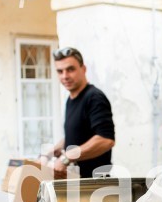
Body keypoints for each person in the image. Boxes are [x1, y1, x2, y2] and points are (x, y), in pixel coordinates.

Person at [49, 47, 115, 178]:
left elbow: (105, 139)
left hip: (94, 185)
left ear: (83, 69)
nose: (65, 76)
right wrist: (58, 148)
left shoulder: (94, 97)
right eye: (60, 71)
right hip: (75, 182)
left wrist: (67, 158)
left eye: (70, 69)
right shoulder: (71, 99)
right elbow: (80, 133)